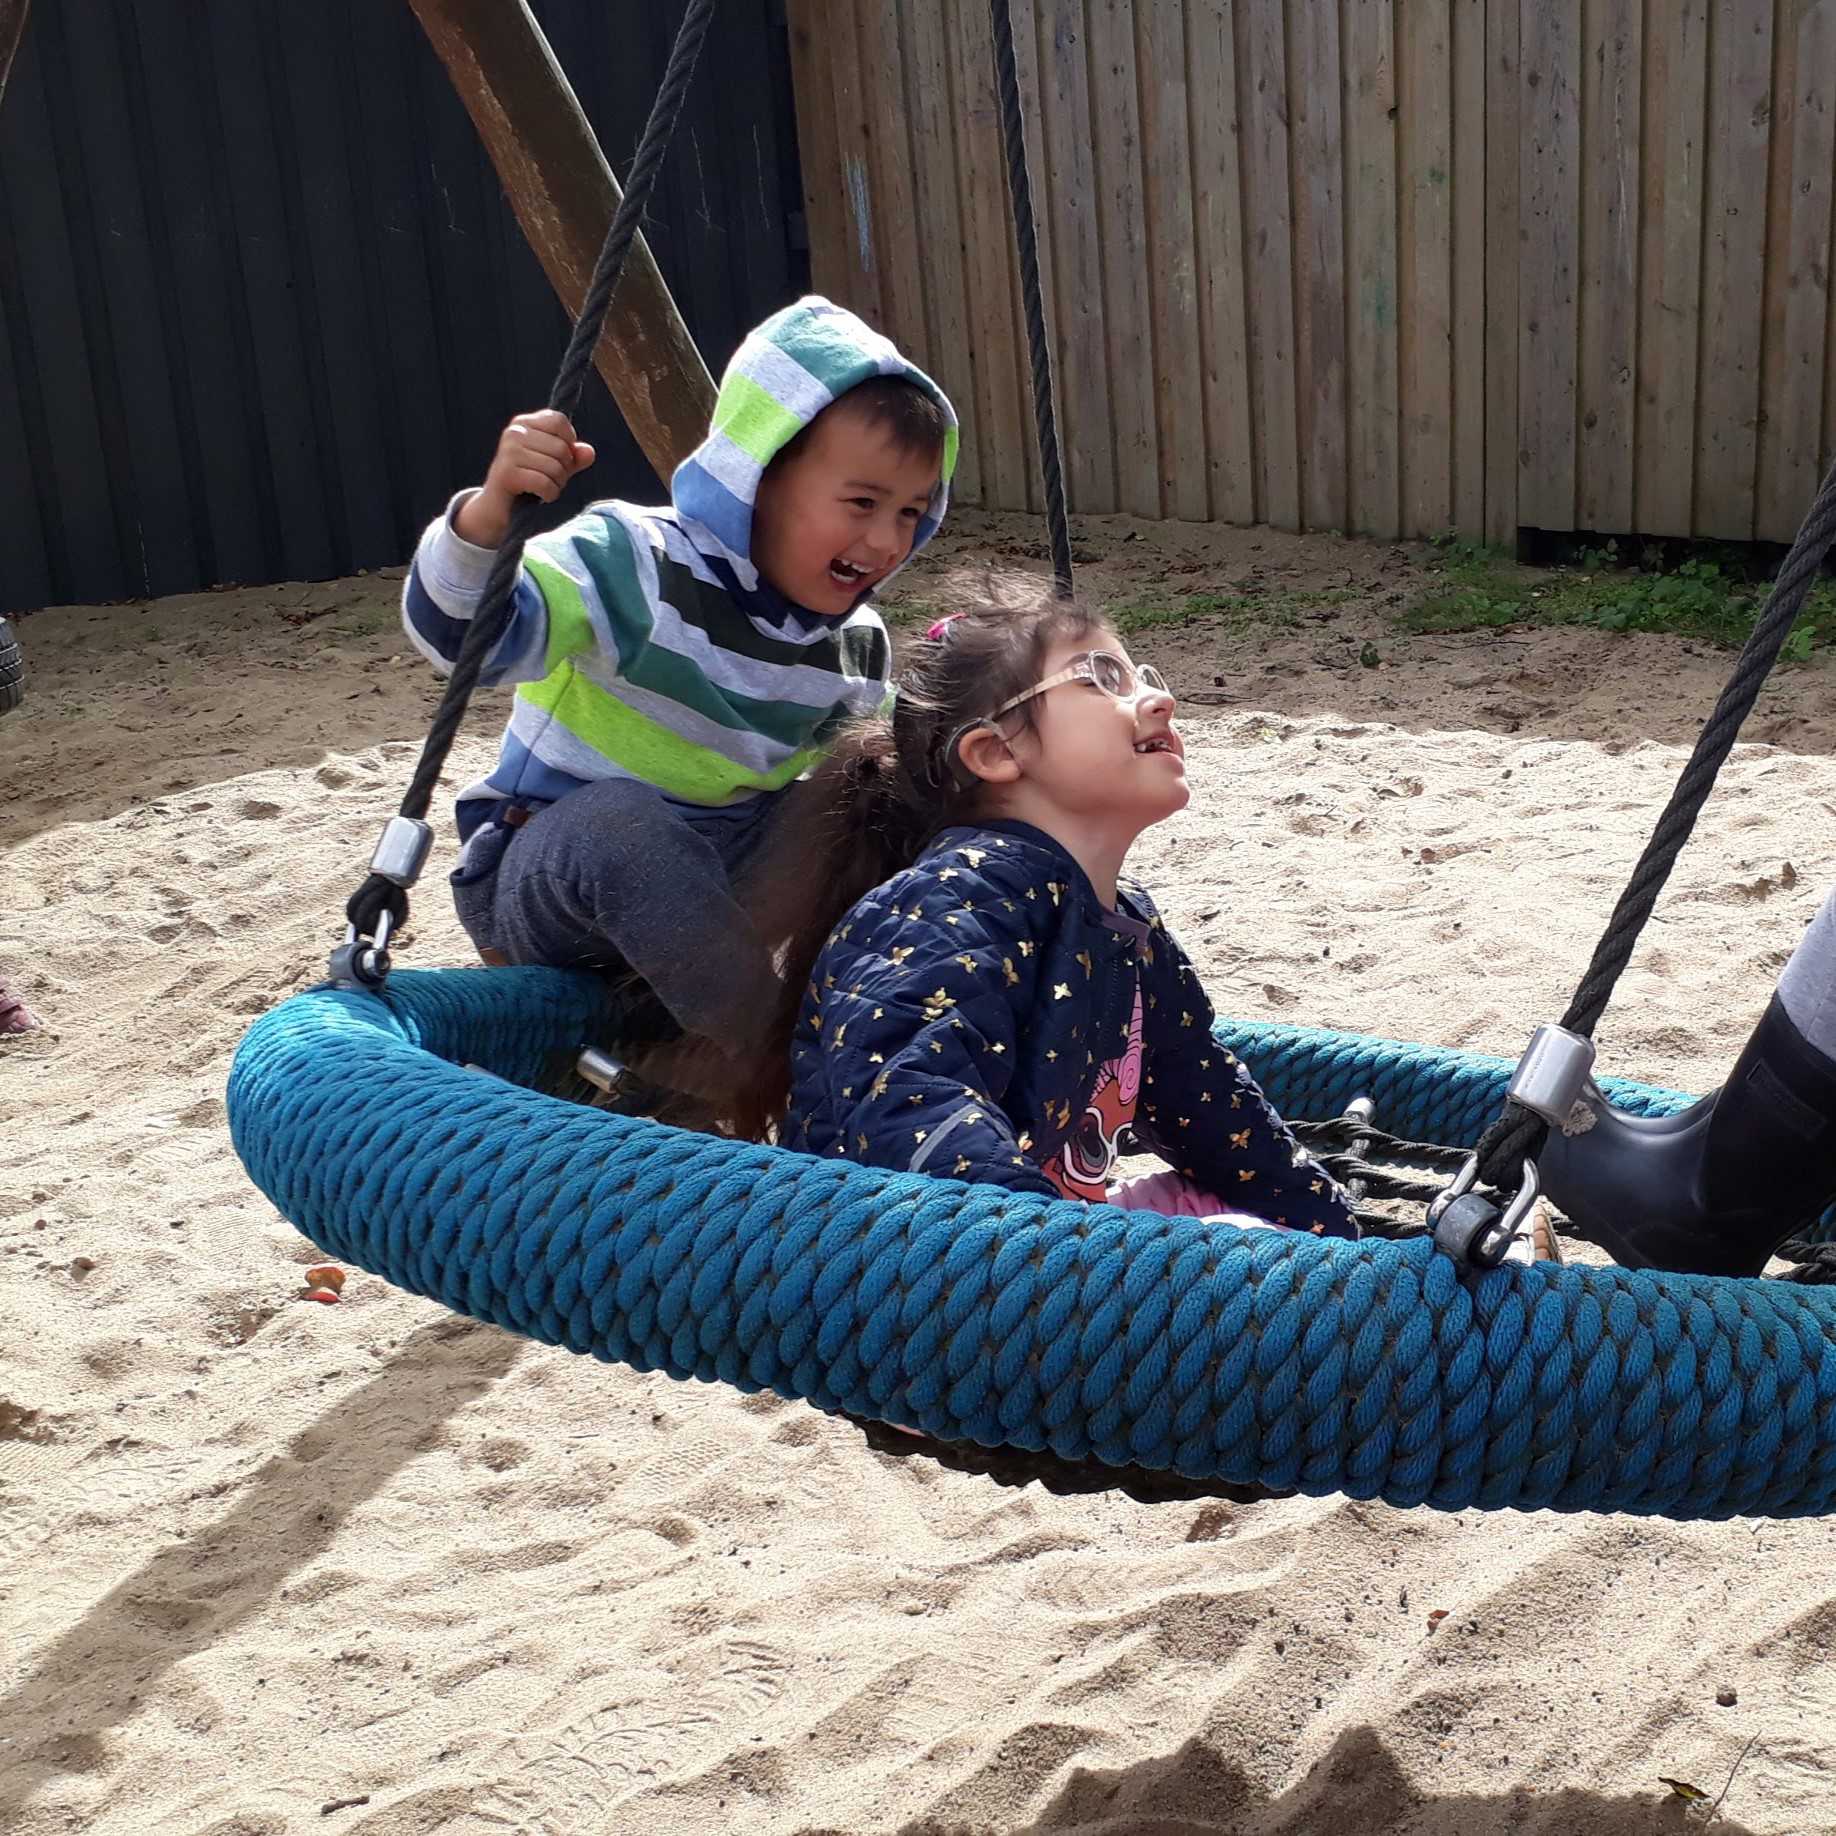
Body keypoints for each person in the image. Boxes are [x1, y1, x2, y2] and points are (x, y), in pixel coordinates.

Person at [400, 296, 957, 1099]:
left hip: (720, 884)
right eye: (861, 503)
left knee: (881, 801)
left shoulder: (854, 645)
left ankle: (897, 1015)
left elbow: (853, 805)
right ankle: (783, 1062)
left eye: (910, 513)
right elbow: (468, 641)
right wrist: (489, 518)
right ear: (758, 477)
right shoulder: (632, 563)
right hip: (554, 873)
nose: (884, 540)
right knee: (626, 823)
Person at [736, 591, 1359, 1238]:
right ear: (997, 752)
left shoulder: (1124, 922)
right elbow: (908, 1098)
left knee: (1239, 1218)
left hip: (1043, 1232)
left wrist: (1339, 1239)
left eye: (1142, 676)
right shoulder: (950, 901)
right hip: (914, 1257)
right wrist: (1055, 1257)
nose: (1159, 699)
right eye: (1102, 678)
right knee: (1243, 1246)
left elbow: (1209, 1108)